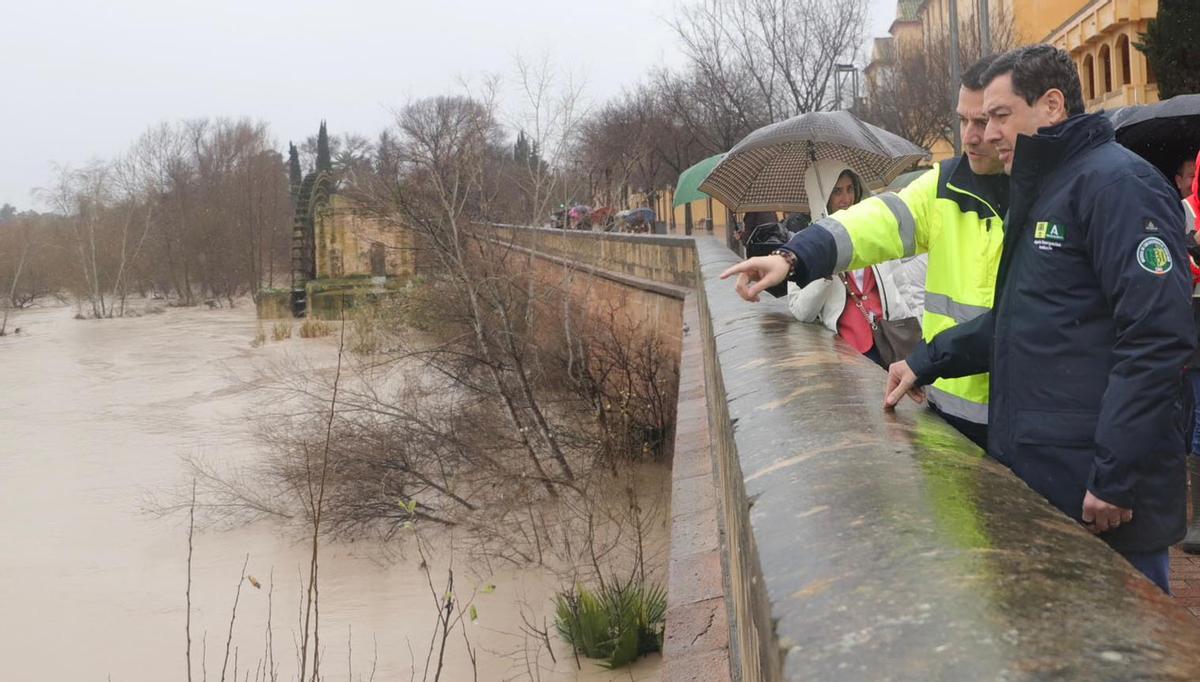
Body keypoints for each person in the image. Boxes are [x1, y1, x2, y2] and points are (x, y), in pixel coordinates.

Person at [885, 45, 1194, 593]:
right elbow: (1021, 323)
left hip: (1103, 497)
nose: (987, 133)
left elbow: (1156, 339)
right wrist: (924, 361)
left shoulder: (1119, 186)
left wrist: (1116, 476)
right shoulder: (1049, 189)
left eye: (1000, 116)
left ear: (1052, 105)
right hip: (1054, 482)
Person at [720, 55, 1008, 448]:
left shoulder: (1050, 193)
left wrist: (921, 356)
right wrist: (792, 258)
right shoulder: (943, 186)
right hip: (948, 408)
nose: (970, 137)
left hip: (1016, 415)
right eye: (963, 121)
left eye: (986, 120)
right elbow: (874, 222)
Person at [786, 161, 927, 368]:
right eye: (837, 191)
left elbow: (902, 285)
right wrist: (824, 271)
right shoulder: (803, 248)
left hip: (892, 340)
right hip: (848, 353)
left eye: (850, 189)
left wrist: (918, 327)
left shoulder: (875, 231)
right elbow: (802, 312)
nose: (846, 199)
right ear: (822, 197)